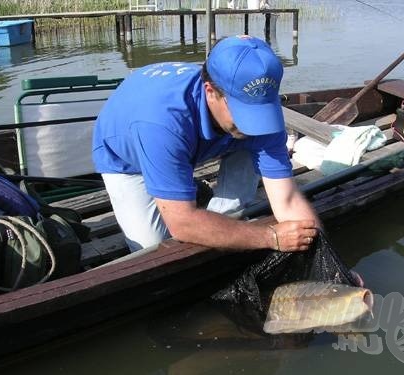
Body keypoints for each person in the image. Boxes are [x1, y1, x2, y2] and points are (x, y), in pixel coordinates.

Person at [92, 35, 320, 253]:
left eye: (259, 112)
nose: (254, 126)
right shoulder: (162, 124)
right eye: (243, 112)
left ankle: (219, 218)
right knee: (151, 246)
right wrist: (269, 237)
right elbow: (182, 224)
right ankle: (185, 198)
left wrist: (331, 264)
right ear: (210, 91)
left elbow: (288, 199)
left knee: (230, 211)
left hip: (195, 137)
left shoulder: (262, 113)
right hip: (127, 158)